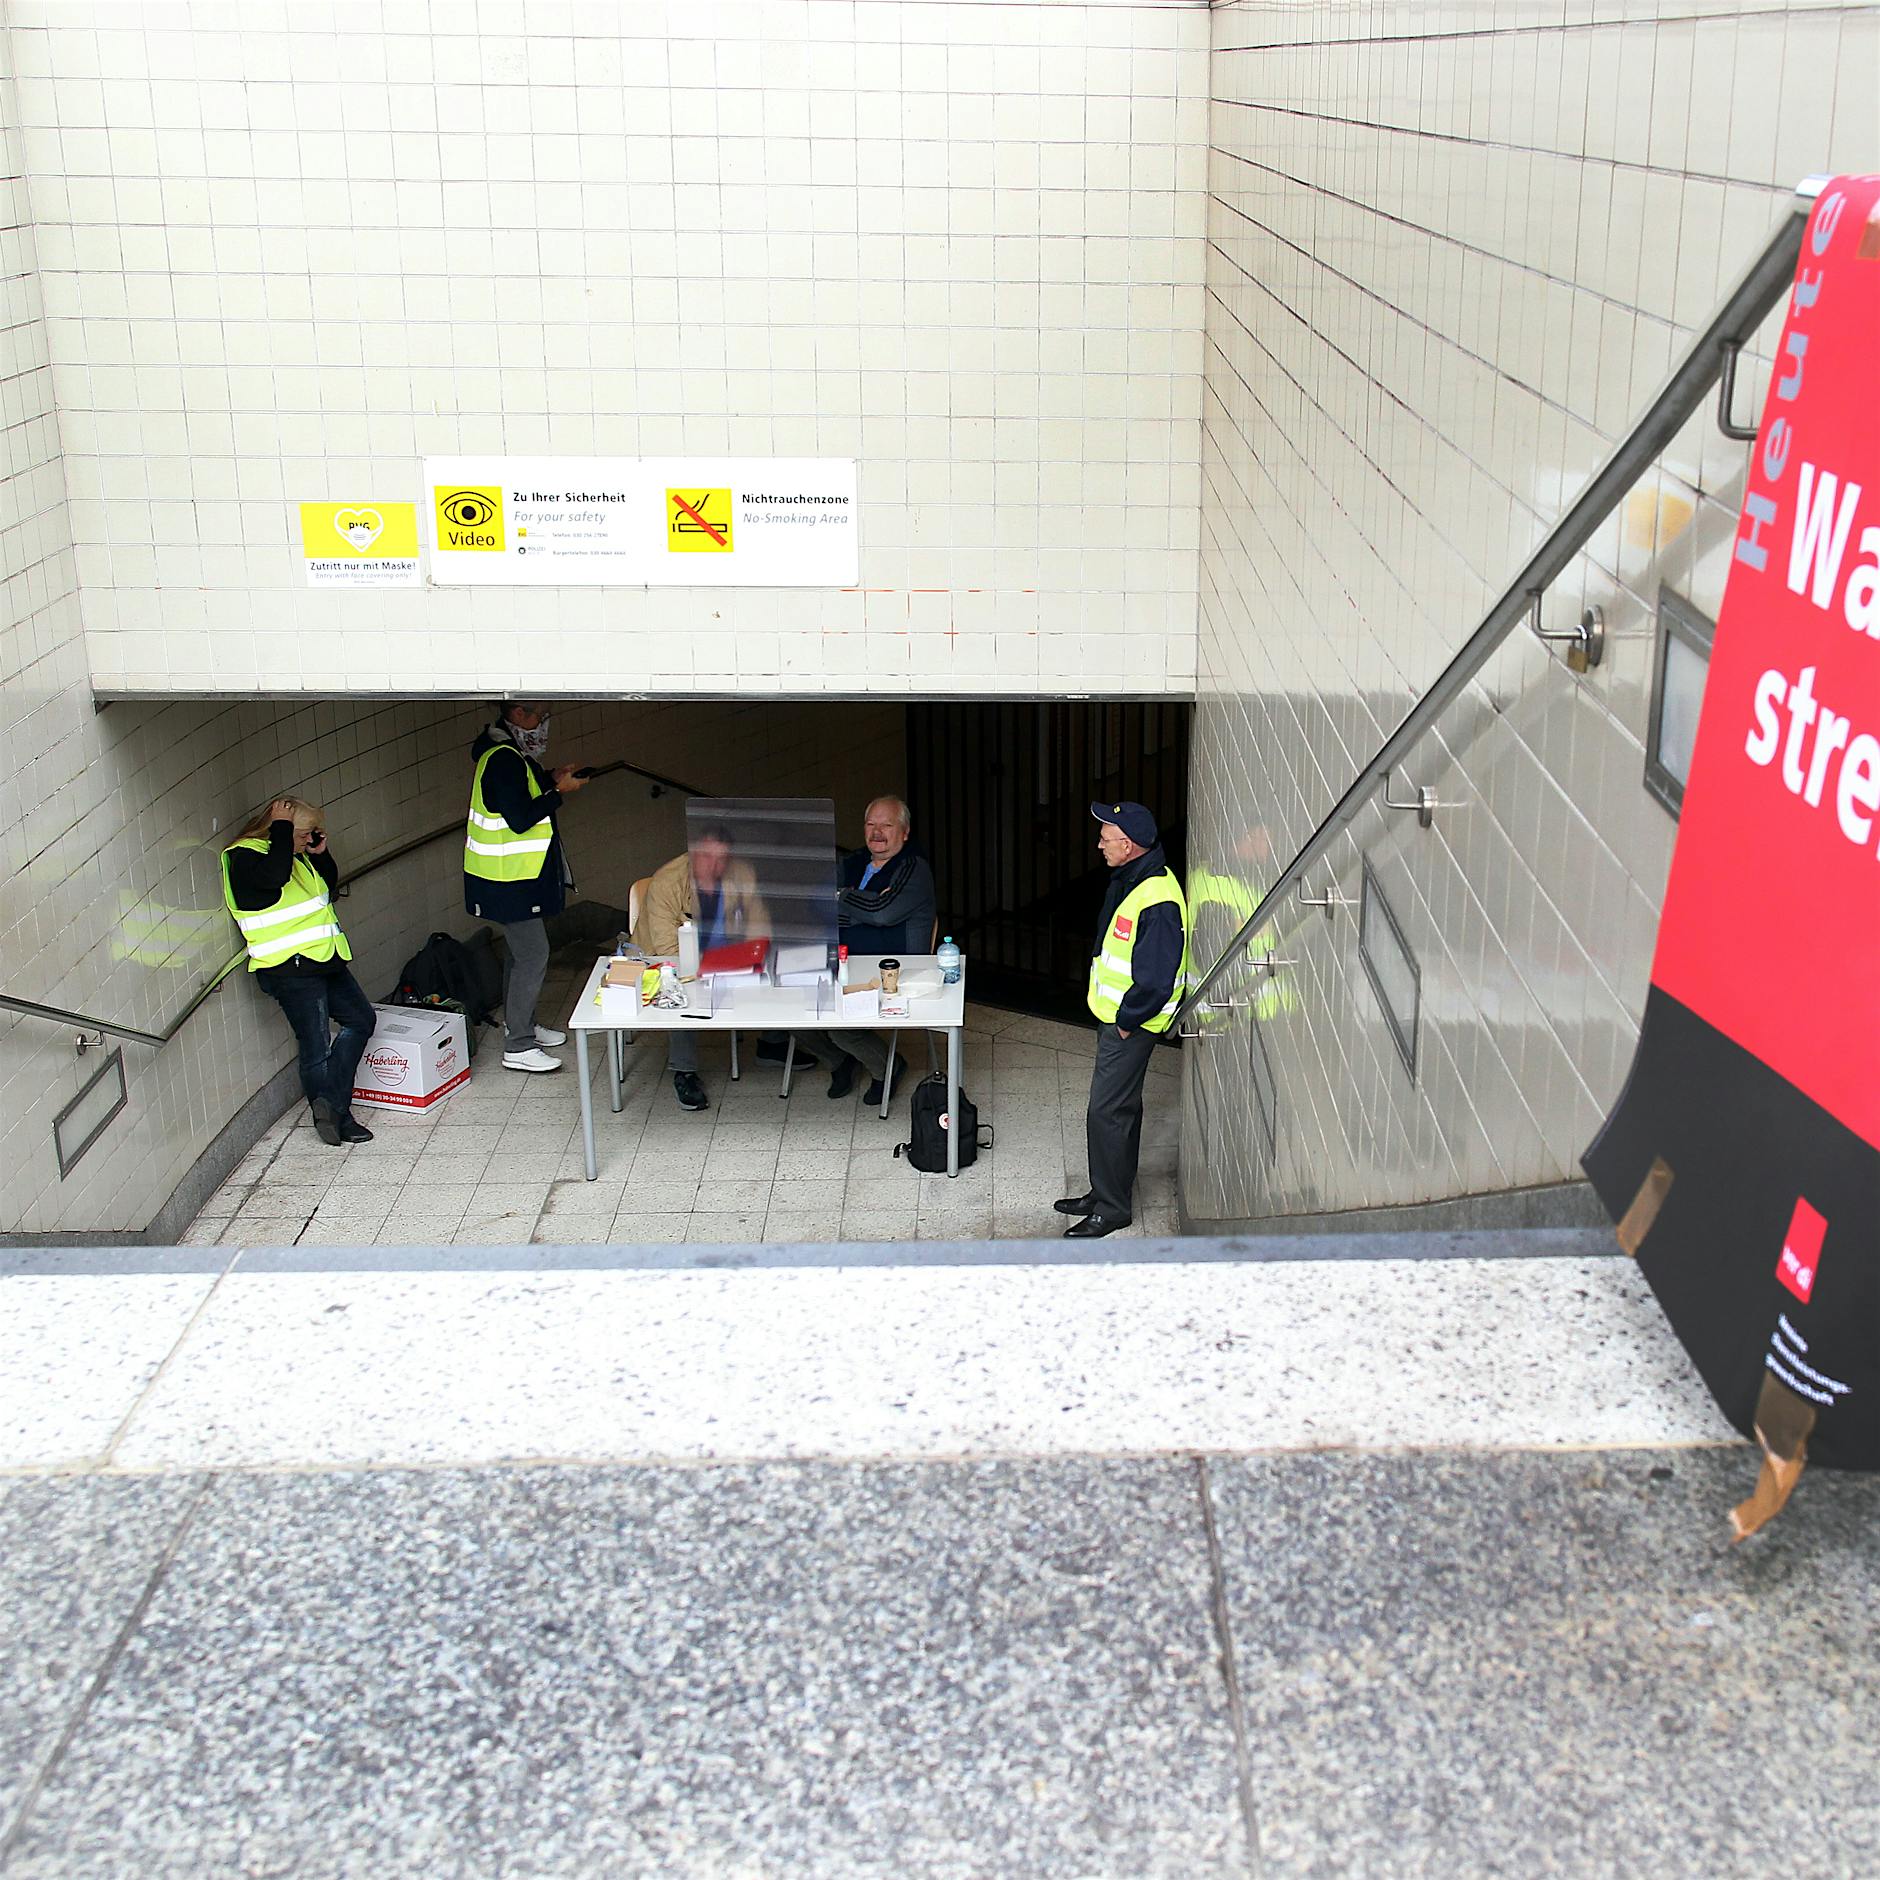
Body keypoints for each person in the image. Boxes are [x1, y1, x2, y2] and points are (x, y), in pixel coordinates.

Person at [1057, 800, 1189, 1239]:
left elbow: (1156, 980)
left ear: (1128, 845)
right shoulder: (1134, 879)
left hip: (1131, 1025)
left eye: (1105, 838)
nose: (1099, 845)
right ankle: (1104, 1192)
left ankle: (1111, 1209)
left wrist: (1126, 1021)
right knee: (1120, 1110)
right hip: (1118, 1019)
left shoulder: (1157, 900)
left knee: (1107, 1112)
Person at [221, 798, 377, 1147]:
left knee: (361, 1020)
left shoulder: (293, 853)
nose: (309, 840)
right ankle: (336, 1118)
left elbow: (326, 888)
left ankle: (331, 1106)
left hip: (324, 958)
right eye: (304, 834)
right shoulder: (245, 857)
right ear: (279, 828)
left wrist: (320, 854)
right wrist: (282, 829)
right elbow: (273, 879)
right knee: (316, 1045)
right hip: (289, 968)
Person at [463, 700, 588, 1073]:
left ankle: (521, 1026)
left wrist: (549, 779)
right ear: (518, 713)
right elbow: (519, 818)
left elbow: (518, 793)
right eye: (539, 715)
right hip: (508, 880)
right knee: (533, 954)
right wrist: (558, 792)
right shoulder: (504, 757)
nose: (543, 723)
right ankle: (518, 1045)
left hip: (509, 877)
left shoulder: (507, 750)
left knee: (520, 955)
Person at [632, 824, 773, 1111]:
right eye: (707, 857)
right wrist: (702, 970)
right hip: (671, 959)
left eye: (722, 858)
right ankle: (684, 1072)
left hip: (725, 955)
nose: (714, 866)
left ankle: (773, 1044)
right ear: (693, 853)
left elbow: (759, 925)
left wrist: (753, 957)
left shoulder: (742, 872)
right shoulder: (668, 881)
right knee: (681, 995)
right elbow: (668, 950)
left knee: (772, 972)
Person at [826, 795, 936, 1104]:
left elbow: (883, 913)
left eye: (886, 825)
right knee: (796, 1010)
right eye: (870, 824)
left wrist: (842, 896)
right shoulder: (853, 861)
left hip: (891, 971)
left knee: (837, 1023)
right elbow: (819, 906)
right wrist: (868, 906)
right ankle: (840, 1060)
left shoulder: (914, 868)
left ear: (905, 832)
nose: (877, 832)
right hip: (843, 961)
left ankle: (886, 1067)